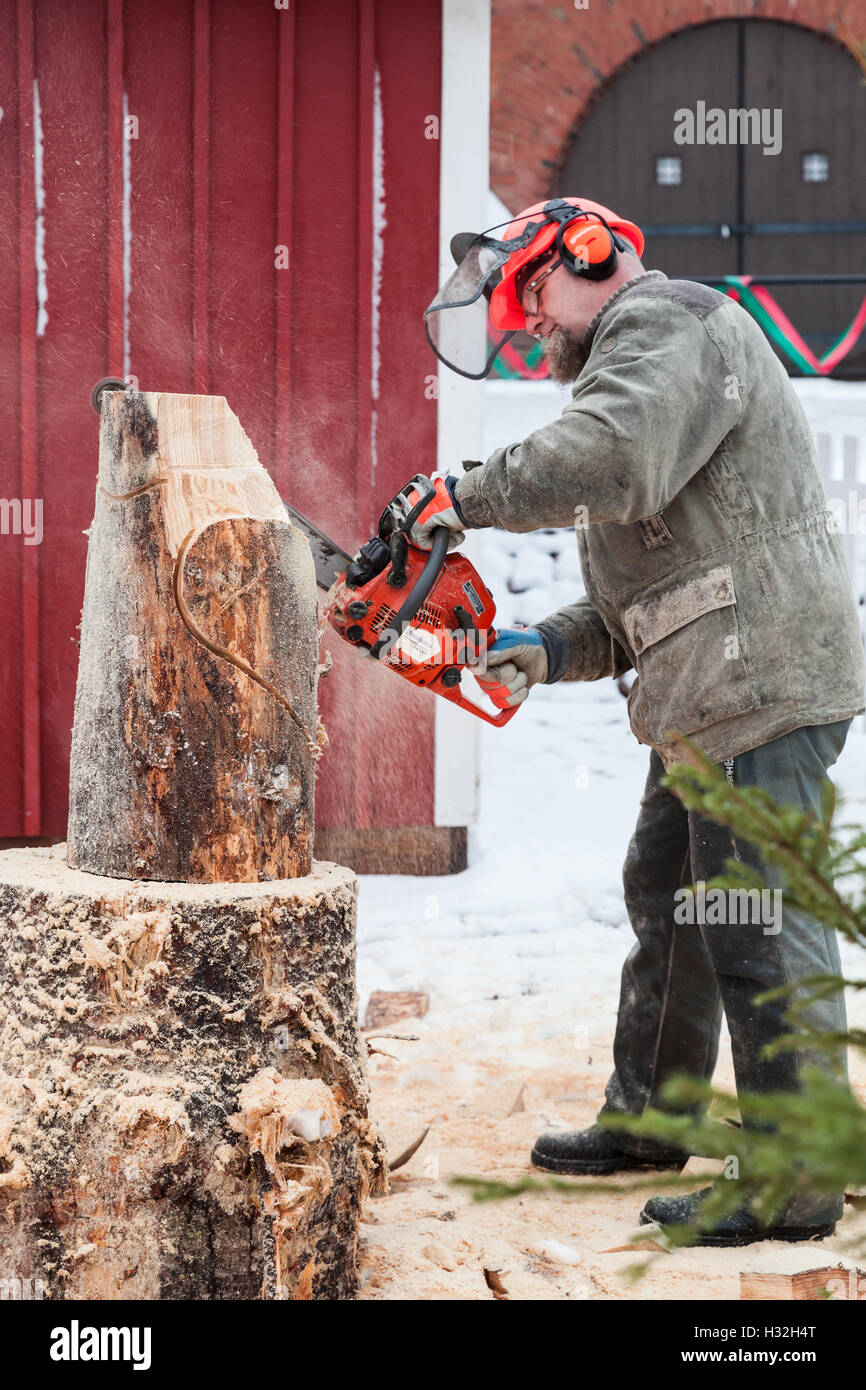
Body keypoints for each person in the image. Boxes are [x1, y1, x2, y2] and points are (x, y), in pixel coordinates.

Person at [411, 197, 866, 1246]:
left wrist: (463, 495)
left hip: (757, 680)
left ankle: (795, 1174)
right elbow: (639, 607)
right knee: (666, 893)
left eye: (531, 293)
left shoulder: (665, 324)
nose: (525, 324)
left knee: (750, 923)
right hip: (710, 682)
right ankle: (652, 1115)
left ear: (590, 254)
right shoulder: (636, 377)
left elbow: (605, 460)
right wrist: (546, 646)